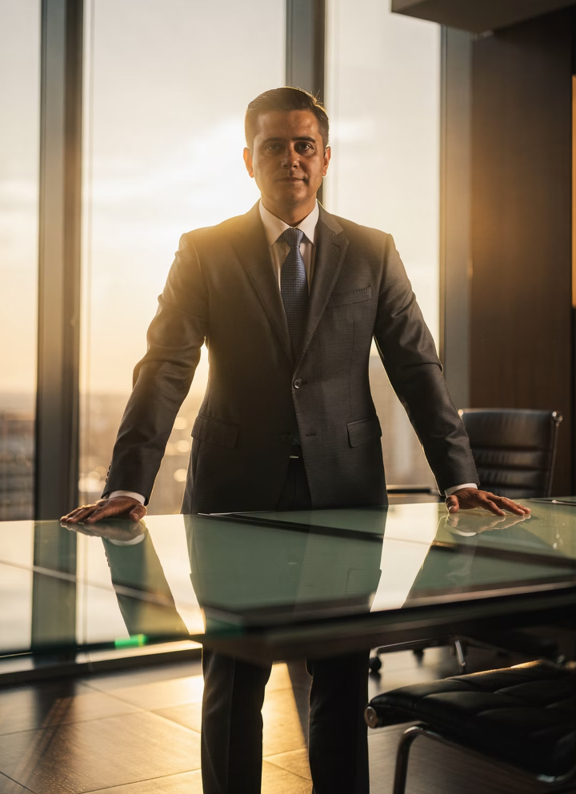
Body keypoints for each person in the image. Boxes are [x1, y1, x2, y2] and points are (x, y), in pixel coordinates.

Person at [62, 87, 530, 793]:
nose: (291, 158)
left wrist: (456, 475)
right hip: (231, 497)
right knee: (232, 686)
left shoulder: (373, 252)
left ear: (326, 158)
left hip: (343, 495)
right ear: (248, 160)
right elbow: (165, 366)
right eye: (274, 146)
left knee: (340, 684)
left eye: (304, 144)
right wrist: (129, 482)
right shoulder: (204, 250)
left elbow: (417, 365)